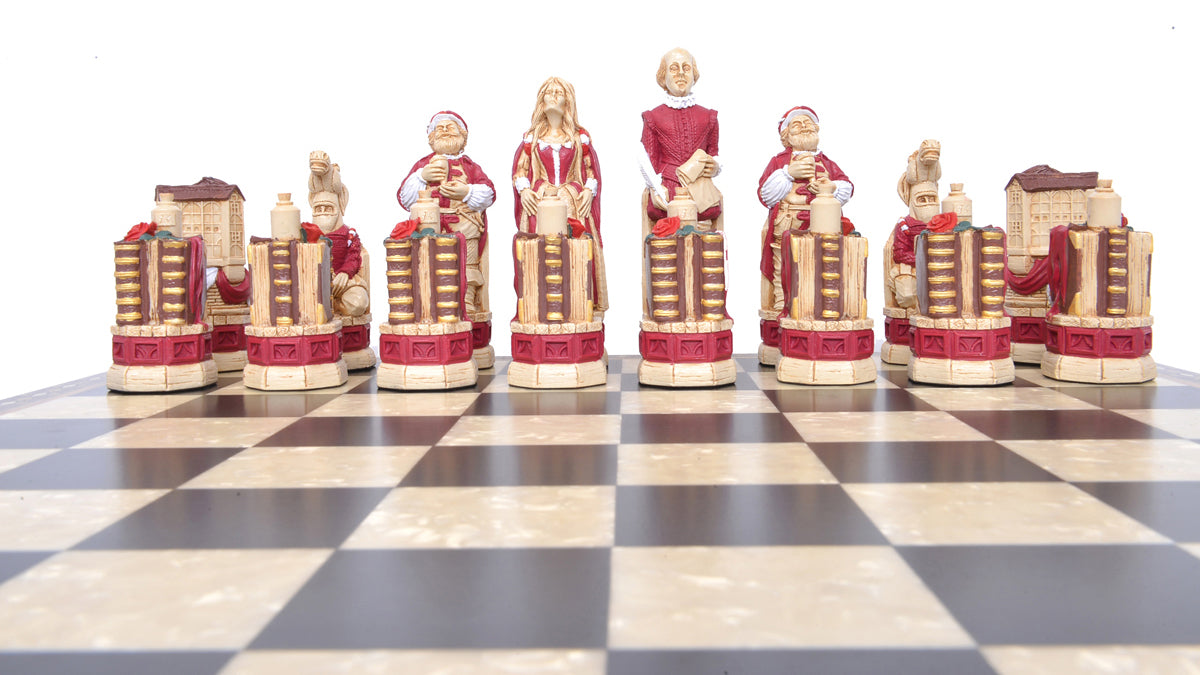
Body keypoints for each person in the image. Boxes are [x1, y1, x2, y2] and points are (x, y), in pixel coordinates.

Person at [512, 76, 607, 311]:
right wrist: (524, 190)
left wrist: (589, 190)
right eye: (549, 92)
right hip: (542, 196)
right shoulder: (533, 137)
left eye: (559, 93)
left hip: (572, 197)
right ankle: (541, 299)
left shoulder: (578, 137)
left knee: (576, 243)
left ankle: (578, 298)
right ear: (541, 99)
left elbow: (590, 169)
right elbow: (521, 169)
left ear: (568, 101)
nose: (553, 96)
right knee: (541, 246)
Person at [757, 106, 854, 312]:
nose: (804, 127)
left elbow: (847, 186)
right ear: (787, 135)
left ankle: (822, 304)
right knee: (785, 261)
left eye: (808, 123)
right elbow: (766, 195)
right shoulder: (779, 162)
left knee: (823, 262)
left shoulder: (826, 162)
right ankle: (783, 302)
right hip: (789, 220)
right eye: (797, 125)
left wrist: (831, 188)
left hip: (823, 222)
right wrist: (787, 173)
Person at [397, 111, 495, 315]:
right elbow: (405, 199)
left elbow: (489, 193)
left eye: (450, 128)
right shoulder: (423, 165)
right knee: (430, 264)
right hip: (430, 224)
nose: (444, 131)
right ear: (431, 137)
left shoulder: (470, 167)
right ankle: (431, 304)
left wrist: (467, 192)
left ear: (462, 136)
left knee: (467, 264)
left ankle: (466, 301)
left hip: (464, 223)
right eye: (439, 129)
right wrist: (421, 177)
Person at [639, 47, 721, 225]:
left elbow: (713, 152)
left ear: (694, 75)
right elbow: (649, 161)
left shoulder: (708, 116)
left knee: (710, 211)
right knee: (663, 213)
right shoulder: (653, 117)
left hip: (701, 190)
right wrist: (655, 188)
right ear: (664, 76)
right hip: (668, 190)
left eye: (686, 67)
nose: (681, 73)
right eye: (674, 68)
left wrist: (715, 167)